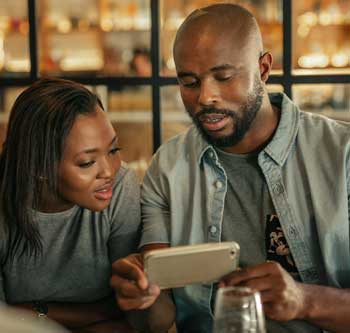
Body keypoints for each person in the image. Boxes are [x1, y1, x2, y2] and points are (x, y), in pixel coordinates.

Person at [110, 3, 350, 333]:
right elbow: (159, 319)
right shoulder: (167, 169)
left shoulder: (342, 155)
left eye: (224, 77)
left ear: (264, 68)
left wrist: (303, 299)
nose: (206, 97)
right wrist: (141, 295)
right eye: (189, 82)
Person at [0, 78, 172, 333]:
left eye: (114, 150)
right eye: (86, 162)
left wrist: (34, 311)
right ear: (39, 168)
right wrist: (96, 316)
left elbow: (143, 317)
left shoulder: (121, 187)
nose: (109, 171)